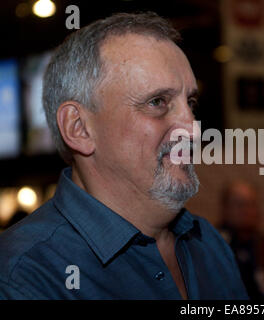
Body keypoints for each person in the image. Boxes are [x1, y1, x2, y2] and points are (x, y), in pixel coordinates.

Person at [0, 12, 248, 300]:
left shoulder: (209, 244)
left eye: (190, 102)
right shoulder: (23, 277)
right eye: (158, 102)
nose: (193, 129)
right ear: (78, 128)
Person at [219, 180, 264, 300]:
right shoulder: (210, 243)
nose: (245, 210)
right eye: (239, 204)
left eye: (251, 204)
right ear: (225, 208)